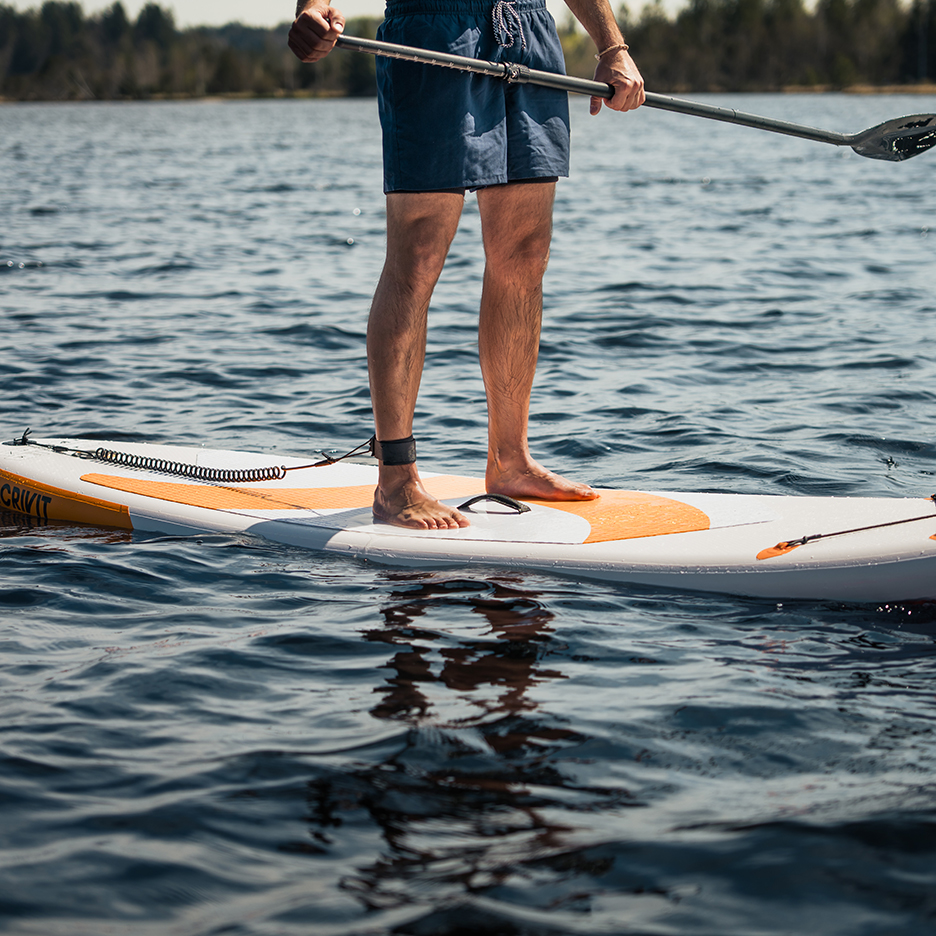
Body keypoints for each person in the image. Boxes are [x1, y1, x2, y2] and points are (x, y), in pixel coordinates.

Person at [289, 0, 644, 530]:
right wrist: (312, 7)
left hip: (527, 30)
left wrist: (612, 46)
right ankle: (395, 481)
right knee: (418, 255)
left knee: (524, 256)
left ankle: (510, 460)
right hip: (433, 29)